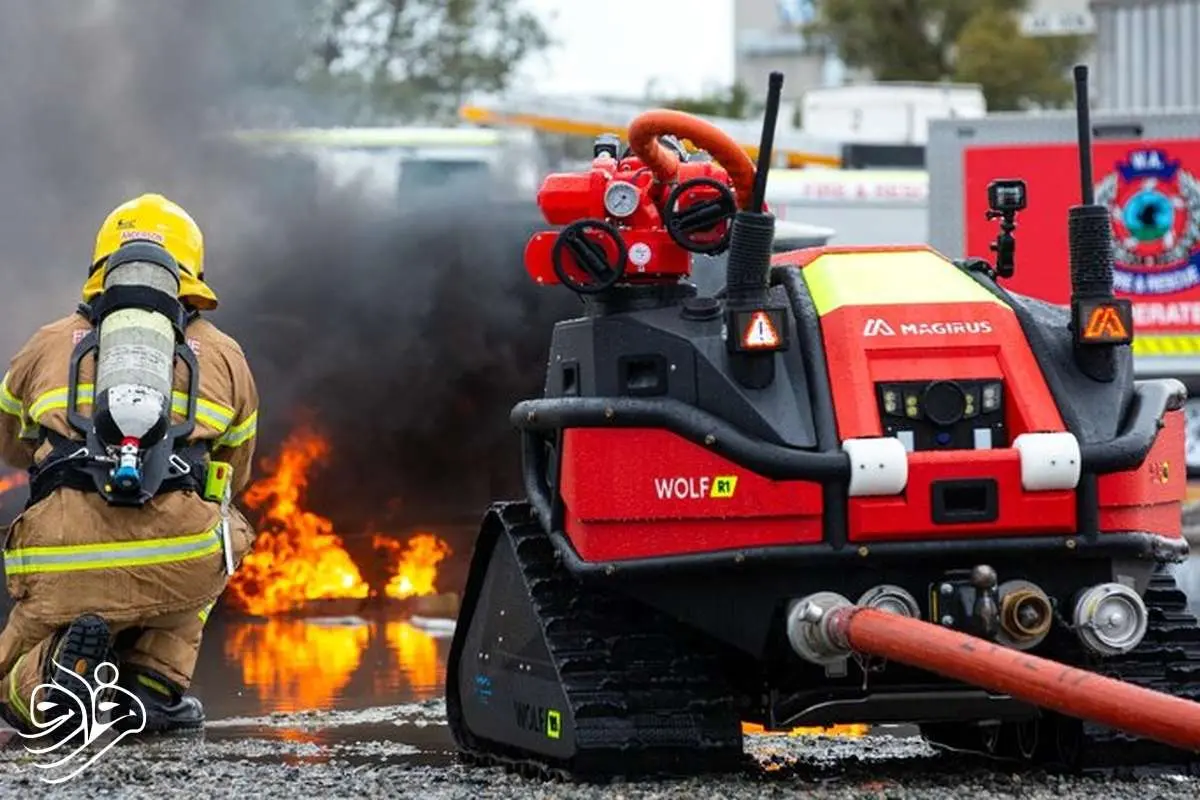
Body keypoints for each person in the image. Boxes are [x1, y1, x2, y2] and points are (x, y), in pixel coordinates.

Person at [0, 193, 259, 736]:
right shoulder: (226, 356)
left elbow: (9, 448)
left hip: (59, 557)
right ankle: (154, 687)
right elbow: (236, 473)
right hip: (179, 554)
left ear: (101, 269)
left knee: (4, 680)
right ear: (191, 276)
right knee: (226, 530)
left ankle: (46, 677)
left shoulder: (44, 344)